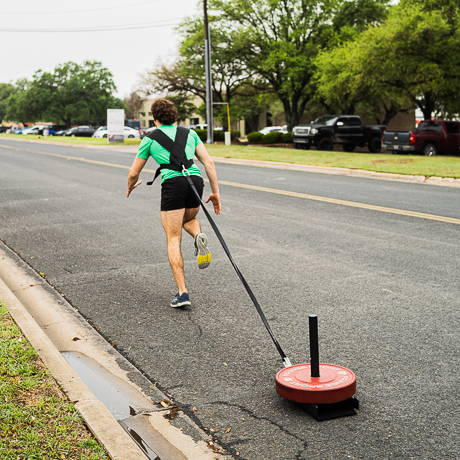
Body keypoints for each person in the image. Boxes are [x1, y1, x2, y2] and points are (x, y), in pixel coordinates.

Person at [126, 98, 221, 308]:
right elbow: (209, 162)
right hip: (194, 180)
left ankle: (182, 292)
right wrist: (215, 193)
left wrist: (130, 186)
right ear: (175, 116)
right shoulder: (190, 134)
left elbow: (134, 172)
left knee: (173, 237)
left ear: (155, 118)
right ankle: (198, 235)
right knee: (190, 218)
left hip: (174, 183)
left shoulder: (150, 139)